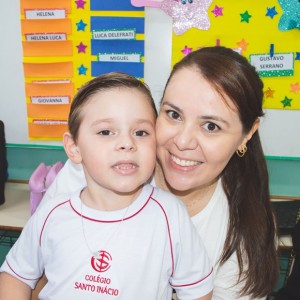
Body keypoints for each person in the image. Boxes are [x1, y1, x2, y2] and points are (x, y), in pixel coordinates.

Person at [7, 46, 279, 299]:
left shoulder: (238, 230)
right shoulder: (87, 174)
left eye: (211, 126)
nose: (183, 142)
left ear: (248, 133)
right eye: (173, 114)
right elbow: (32, 277)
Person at [0, 72, 213, 300]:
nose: (126, 143)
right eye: (105, 132)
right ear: (74, 148)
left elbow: (197, 292)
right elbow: (16, 275)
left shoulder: (170, 216)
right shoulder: (52, 212)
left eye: (140, 132)